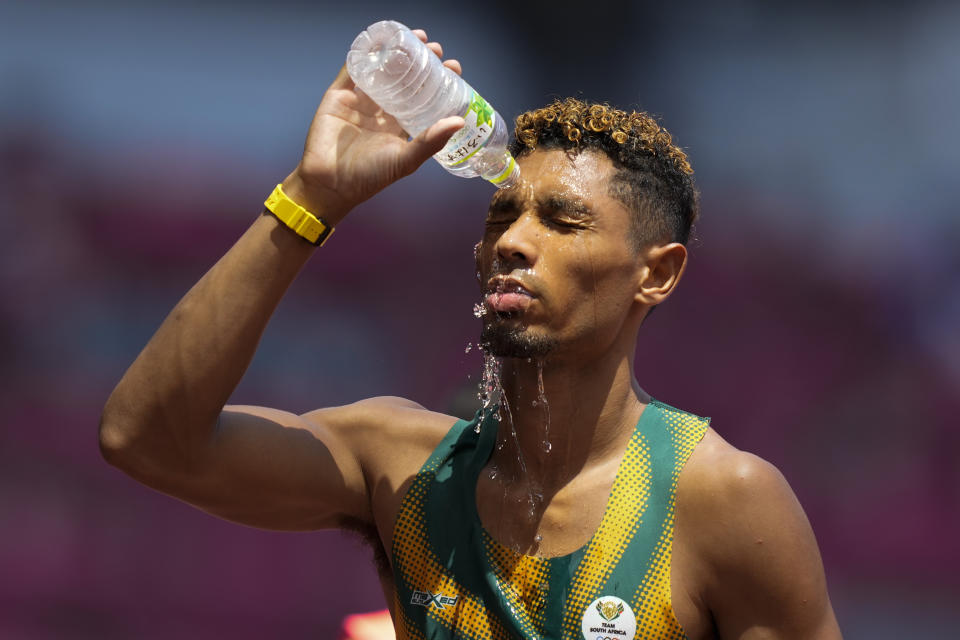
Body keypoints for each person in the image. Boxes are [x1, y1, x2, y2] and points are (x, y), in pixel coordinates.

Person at [99, 28, 842, 640]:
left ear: (658, 274)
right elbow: (146, 439)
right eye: (501, 217)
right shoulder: (395, 464)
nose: (513, 241)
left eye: (562, 220)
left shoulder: (722, 501)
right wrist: (310, 199)